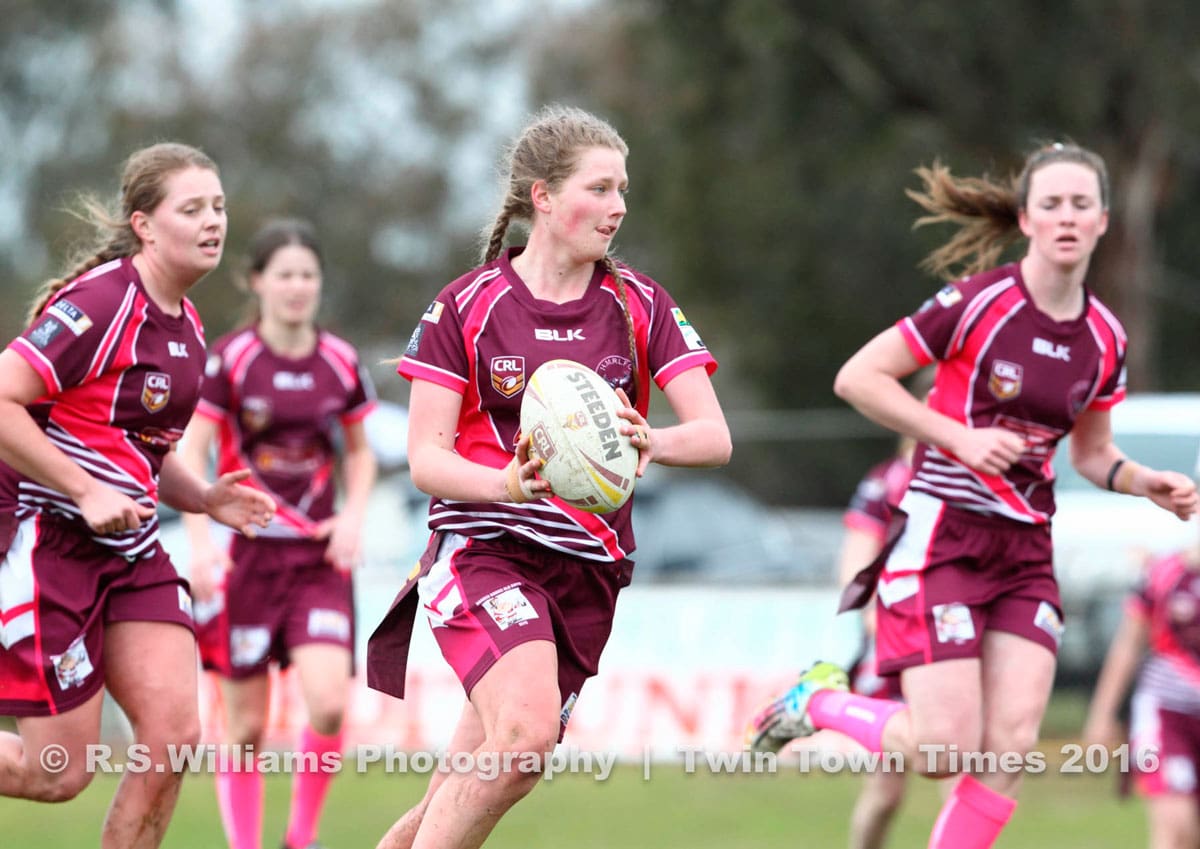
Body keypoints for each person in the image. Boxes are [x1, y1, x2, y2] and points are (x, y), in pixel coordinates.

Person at [745, 141, 1199, 849]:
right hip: (943, 538)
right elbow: (859, 377)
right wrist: (956, 437)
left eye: (1082, 204)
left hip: (1025, 551)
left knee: (1008, 749)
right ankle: (819, 702)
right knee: (941, 751)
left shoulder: (1107, 337)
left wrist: (1146, 483)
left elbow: (1092, 452)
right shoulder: (977, 302)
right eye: (1052, 204)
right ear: (1026, 219)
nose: (1068, 217)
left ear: (1105, 220)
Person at [364, 103, 731, 849]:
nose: (618, 206)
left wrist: (653, 440)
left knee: (481, 778)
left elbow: (715, 437)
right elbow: (427, 457)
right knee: (525, 738)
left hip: (589, 569)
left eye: (623, 189)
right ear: (543, 196)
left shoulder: (638, 303)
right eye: (599, 188)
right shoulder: (465, 305)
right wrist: (508, 484)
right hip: (483, 549)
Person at [0, 142, 275, 849]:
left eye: (217, 206)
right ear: (144, 225)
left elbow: (138, 456)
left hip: (129, 547)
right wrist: (83, 490)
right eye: (192, 209)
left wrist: (205, 496)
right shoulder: (99, 303)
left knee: (174, 738)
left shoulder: (186, 324)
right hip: (50, 537)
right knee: (57, 770)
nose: (213, 221)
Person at [179, 218, 378, 849]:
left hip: (318, 562)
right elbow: (189, 456)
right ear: (258, 282)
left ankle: (300, 838)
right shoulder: (231, 360)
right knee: (244, 727)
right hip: (247, 564)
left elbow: (362, 454)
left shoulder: (340, 361)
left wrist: (352, 516)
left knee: (327, 705)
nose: (298, 287)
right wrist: (199, 538)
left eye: (308, 275)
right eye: (285, 274)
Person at [1084, 464, 1200, 849]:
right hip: (1167, 713)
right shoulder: (1165, 574)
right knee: (1175, 829)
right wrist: (1102, 716)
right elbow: (1127, 648)